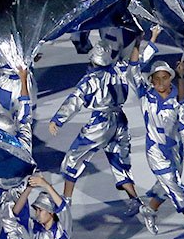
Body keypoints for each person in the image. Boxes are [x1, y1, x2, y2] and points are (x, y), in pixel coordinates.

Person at [48, 45, 142, 214]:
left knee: (73, 157)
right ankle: (135, 200)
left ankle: (65, 201)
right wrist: (141, 43)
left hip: (100, 123)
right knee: (119, 160)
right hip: (120, 120)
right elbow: (137, 61)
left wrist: (57, 120)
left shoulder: (91, 79)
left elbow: (75, 100)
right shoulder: (120, 69)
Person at [129, 31, 184, 233]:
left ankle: (149, 210)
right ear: (150, 80)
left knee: (165, 186)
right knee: (176, 189)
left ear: (170, 79)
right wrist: (145, 42)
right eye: (155, 78)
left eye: (164, 77)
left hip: (174, 152)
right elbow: (133, 70)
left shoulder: (178, 100)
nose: (159, 82)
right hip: (155, 152)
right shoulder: (145, 95)